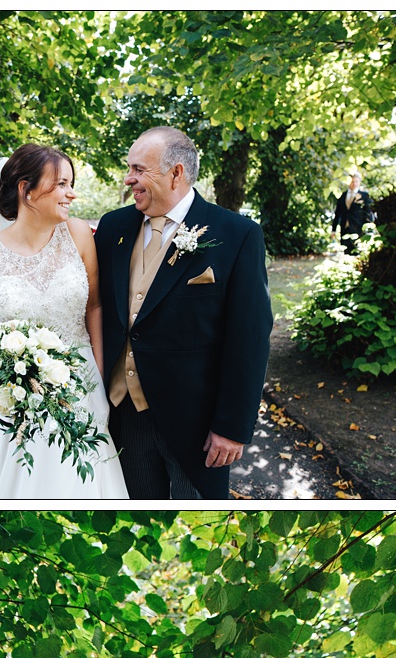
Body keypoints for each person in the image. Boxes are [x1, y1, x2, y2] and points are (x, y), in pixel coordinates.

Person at [96, 127, 273, 499]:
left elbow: (249, 339)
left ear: (176, 173)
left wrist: (233, 426)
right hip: (123, 414)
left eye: (139, 169)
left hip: (196, 422)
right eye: (130, 168)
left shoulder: (237, 234)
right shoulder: (113, 228)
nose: (129, 179)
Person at [0, 145, 128, 499]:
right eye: (62, 184)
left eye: (71, 183)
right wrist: (7, 369)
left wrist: (96, 371)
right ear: (26, 189)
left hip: (82, 388)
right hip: (19, 396)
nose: (72, 193)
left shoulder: (79, 234)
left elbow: (94, 306)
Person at [332, 173, 375, 254]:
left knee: (358, 252)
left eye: (356, 181)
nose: (354, 184)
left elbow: (368, 213)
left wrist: (369, 230)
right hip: (345, 228)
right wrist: (333, 230)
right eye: (352, 181)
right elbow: (337, 214)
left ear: (359, 182)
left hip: (359, 229)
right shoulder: (342, 196)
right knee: (346, 252)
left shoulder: (364, 196)